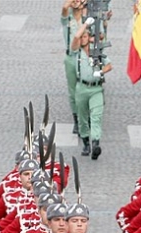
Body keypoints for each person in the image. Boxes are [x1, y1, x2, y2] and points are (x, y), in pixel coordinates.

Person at [71, 17, 112, 159]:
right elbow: (76, 36)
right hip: (82, 87)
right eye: (82, 36)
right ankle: (86, 143)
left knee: (96, 115)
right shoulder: (77, 52)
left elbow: (109, 65)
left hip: (96, 88)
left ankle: (95, 143)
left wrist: (101, 72)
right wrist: (85, 25)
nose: (82, 38)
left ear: (89, 38)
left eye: (85, 36)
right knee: (83, 118)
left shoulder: (97, 50)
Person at [61, 0, 85, 135]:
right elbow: (64, 7)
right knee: (73, 91)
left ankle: (85, 118)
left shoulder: (87, 20)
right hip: (70, 58)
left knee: (84, 89)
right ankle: (76, 120)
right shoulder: (67, 19)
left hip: (84, 57)